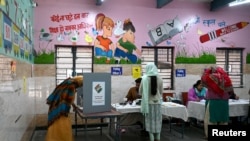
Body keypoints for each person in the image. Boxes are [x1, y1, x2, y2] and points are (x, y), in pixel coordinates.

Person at [45, 75, 83, 141]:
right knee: (63, 129)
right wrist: (74, 106)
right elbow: (69, 99)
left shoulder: (67, 81)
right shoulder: (72, 86)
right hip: (61, 111)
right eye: (81, 85)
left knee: (54, 128)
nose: (79, 87)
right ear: (79, 83)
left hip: (55, 107)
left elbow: (64, 97)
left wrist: (74, 106)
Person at [201, 66, 233, 139]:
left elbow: (203, 80)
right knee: (223, 119)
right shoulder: (226, 78)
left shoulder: (210, 77)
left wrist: (207, 71)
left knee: (210, 120)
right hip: (224, 102)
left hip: (213, 101)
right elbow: (231, 91)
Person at [139, 62, 163, 141]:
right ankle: (158, 137)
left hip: (148, 104)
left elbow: (140, 91)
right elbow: (161, 91)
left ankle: (151, 138)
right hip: (158, 104)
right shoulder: (160, 78)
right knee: (157, 121)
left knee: (150, 121)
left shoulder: (144, 78)